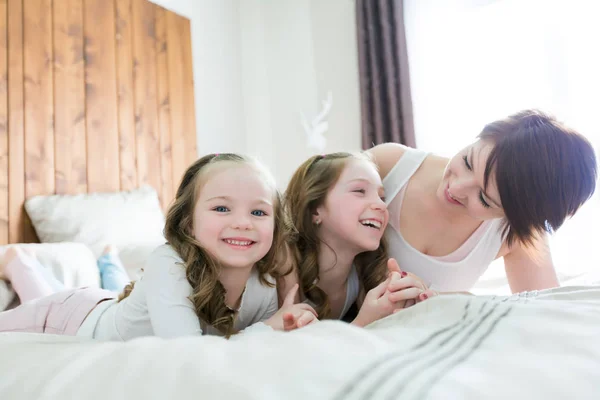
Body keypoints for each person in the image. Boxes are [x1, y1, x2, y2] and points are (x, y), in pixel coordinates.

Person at [0, 153, 316, 339]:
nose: (243, 222)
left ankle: (104, 262)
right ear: (188, 222)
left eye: (258, 212)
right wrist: (269, 329)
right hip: (73, 315)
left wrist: (282, 326)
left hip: (115, 303)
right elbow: (187, 352)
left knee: (118, 293)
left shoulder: (264, 281)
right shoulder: (168, 262)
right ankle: (18, 261)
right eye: (221, 208)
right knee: (41, 301)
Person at [369, 109, 597, 294]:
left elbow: (542, 313)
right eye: (468, 162)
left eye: (484, 199)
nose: (456, 188)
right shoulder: (390, 166)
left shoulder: (516, 234)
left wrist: (452, 301)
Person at [282, 152, 434, 327]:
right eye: (359, 191)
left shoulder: (365, 272)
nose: (382, 205)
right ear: (315, 209)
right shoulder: (285, 262)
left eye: (382, 197)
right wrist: (364, 322)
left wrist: (413, 302)